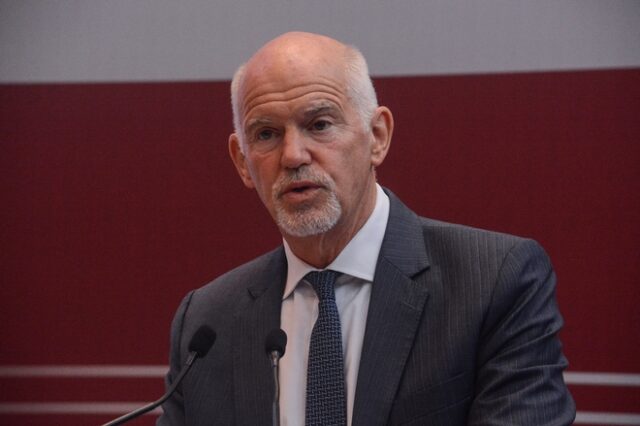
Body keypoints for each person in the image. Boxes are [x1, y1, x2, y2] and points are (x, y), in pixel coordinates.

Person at [157, 32, 575, 425]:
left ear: (377, 136)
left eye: (319, 125)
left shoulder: (493, 282)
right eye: (266, 134)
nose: (293, 155)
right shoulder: (206, 323)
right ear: (242, 162)